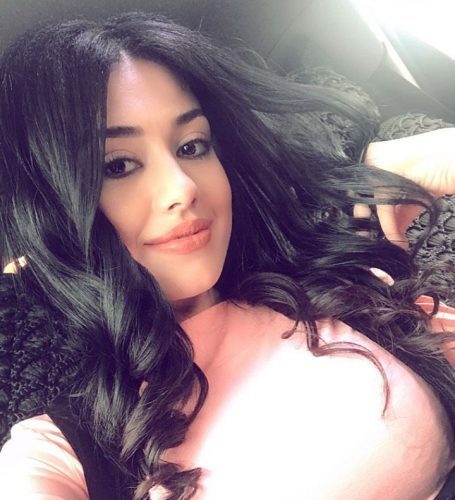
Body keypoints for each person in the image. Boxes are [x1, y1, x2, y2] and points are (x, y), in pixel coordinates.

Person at [0, 11, 454, 500]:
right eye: (119, 165)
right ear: (50, 207)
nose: (182, 187)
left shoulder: (342, 292)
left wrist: (412, 162)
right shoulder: (59, 452)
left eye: (192, 146)